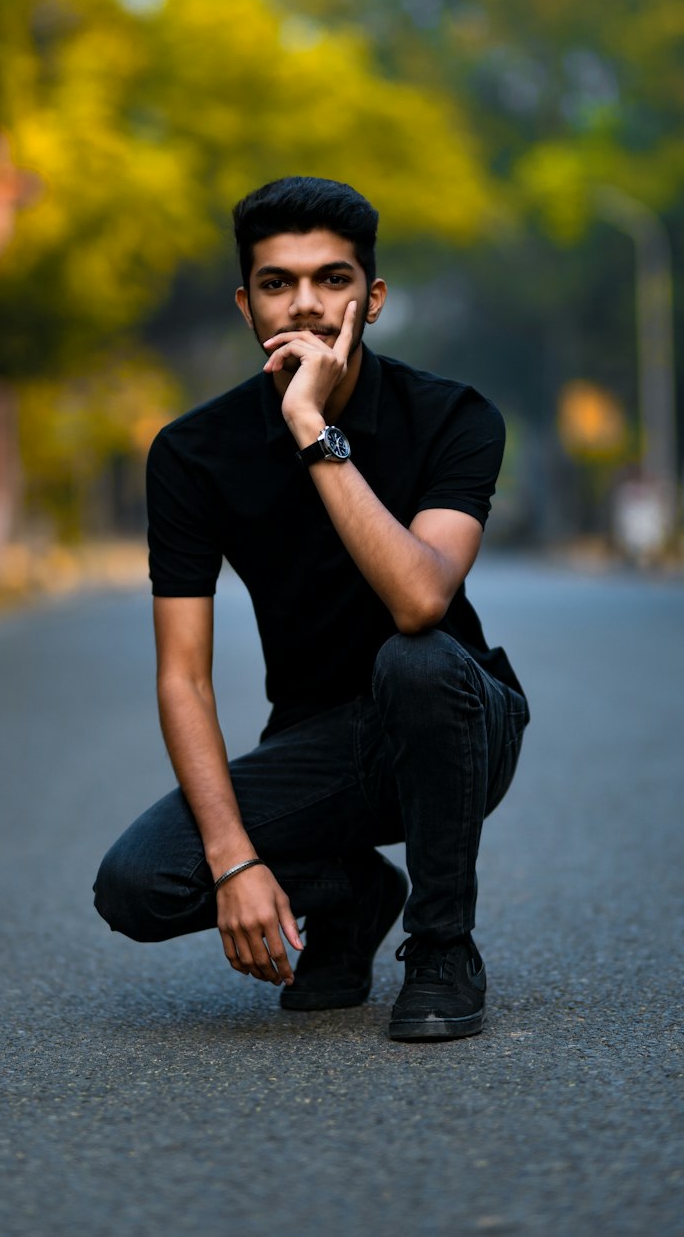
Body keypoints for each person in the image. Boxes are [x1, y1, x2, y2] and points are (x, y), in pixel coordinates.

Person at [94, 176, 529, 1041]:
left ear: (372, 297)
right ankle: (355, 890)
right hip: (316, 742)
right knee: (141, 883)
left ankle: (443, 946)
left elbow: (419, 600)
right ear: (245, 305)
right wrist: (235, 863)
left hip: (458, 722)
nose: (307, 305)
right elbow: (184, 676)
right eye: (276, 283)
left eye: (332, 280)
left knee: (417, 658)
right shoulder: (192, 454)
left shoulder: (452, 417)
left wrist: (311, 428)